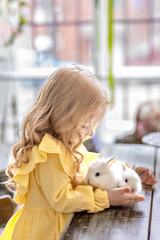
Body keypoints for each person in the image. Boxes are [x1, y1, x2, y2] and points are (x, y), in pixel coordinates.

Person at [0, 64, 156, 240]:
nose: (90, 133)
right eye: (84, 125)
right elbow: (62, 199)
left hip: (66, 226)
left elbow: (91, 166)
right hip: (48, 233)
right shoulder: (49, 152)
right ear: (62, 115)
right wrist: (107, 199)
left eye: (94, 126)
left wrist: (127, 173)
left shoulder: (68, 142)